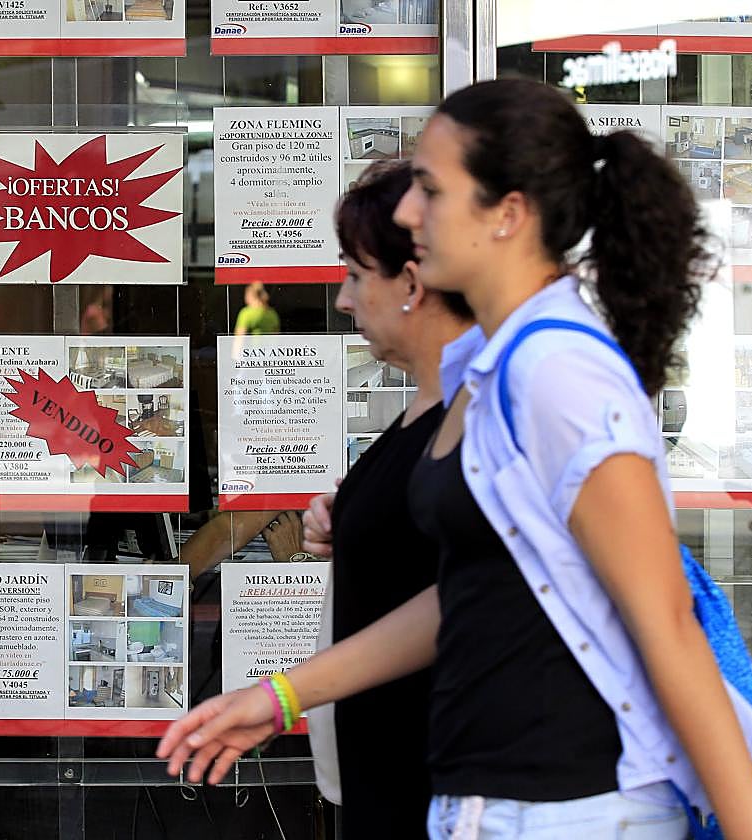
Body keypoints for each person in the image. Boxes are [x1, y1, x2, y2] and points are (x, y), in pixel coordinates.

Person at [160, 79, 752, 839]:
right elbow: (481, 590)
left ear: (508, 214)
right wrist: (281, 696)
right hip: (491, 807)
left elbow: (667, 623)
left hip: (573, 811)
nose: (405, 212)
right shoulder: (494, 369)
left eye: (430, 188)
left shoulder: (558, 370)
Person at [169, 160, 479, 836]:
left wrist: (280, 696)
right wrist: (350, 525)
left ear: (413, 281)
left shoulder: (480, 406)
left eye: (355, 275)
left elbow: (467, 590)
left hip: (430, 781)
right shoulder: (427, 407)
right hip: (381, 776)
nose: (342, 300)